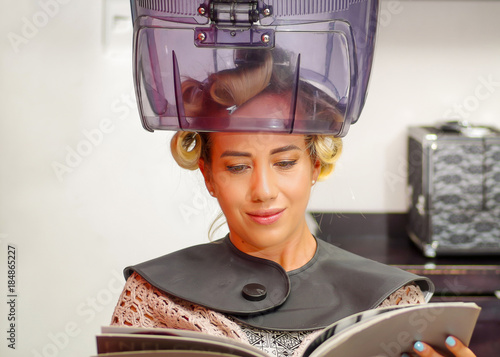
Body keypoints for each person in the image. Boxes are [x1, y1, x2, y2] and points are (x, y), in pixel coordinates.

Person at [110, 49, 476, 357]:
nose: (264, 190)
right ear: (207, 175)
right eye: (237, 167)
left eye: (285, 162)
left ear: (315, 164)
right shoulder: (152, 300)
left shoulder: (394, 305)